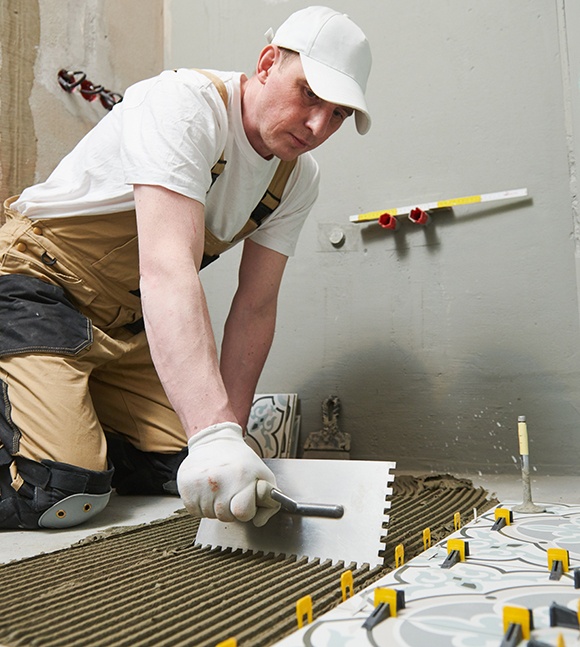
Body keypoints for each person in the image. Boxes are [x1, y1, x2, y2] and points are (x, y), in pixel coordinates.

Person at [0, 6, 372, 529]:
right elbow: (167, 268)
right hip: (33, 288)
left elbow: (255, 308)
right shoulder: (185, 105)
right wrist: (212, 432)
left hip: (121, 329)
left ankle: (60, 411)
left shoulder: (296, 179)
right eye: (309, 95)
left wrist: (230, 442)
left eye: (337, 114)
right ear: (267, 63)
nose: (317, 125)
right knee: (62, 490)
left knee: (183, 469)